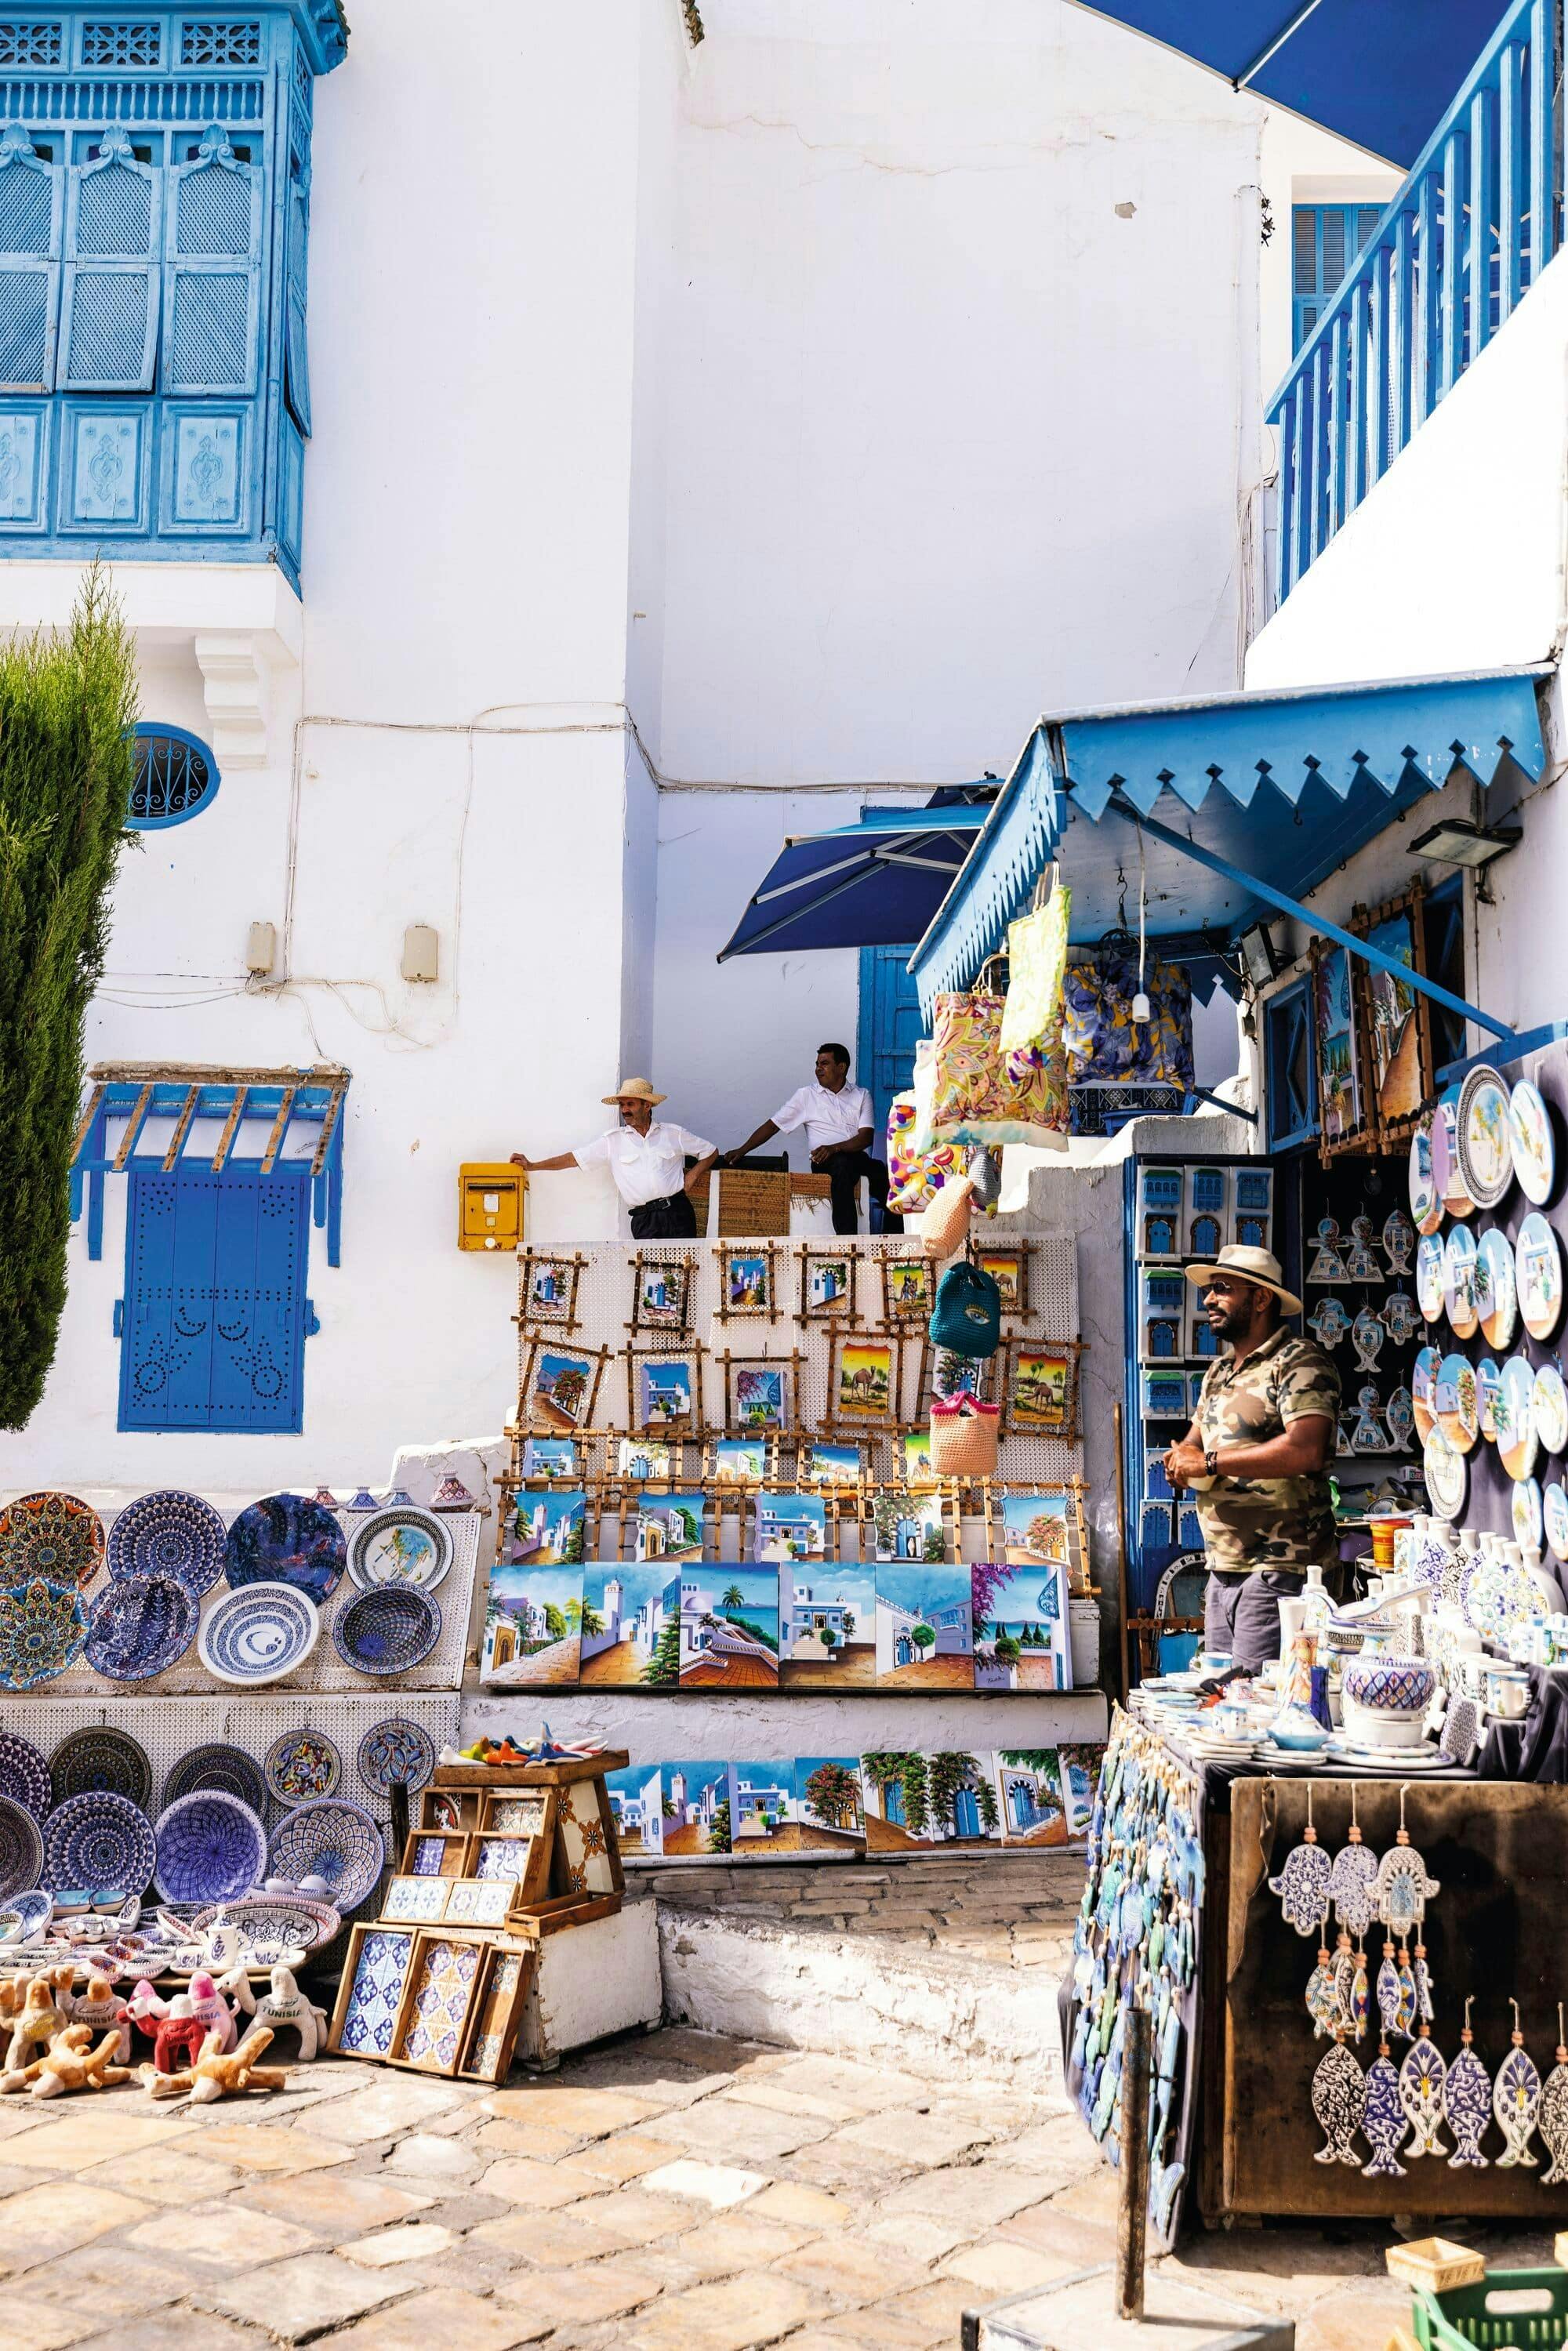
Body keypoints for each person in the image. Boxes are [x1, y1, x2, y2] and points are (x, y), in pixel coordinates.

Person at [1163, 1244, 1341, 1672]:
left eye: (1223, 1288)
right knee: (1223, 1694)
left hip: (1281, 1568)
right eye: (1209, 1290)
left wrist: (1209, 1464)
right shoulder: (1219, 1371)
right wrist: (1180, 1463)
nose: (1209, 1299)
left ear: (1261, 1299)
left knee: (1254, 1695)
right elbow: (1192, 1444)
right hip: (1222, 1567)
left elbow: (1306, 1449)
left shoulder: (1298, 1359)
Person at [722, 1043, 901, 1236]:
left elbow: (865, 1137)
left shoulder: (861, 1095)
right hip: (824, 1161)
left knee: (887, 1177)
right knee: (842, 1167)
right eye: (817, 1064)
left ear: (841, 1067)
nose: (818, 1069)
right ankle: (847, 1239)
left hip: (855, 1157)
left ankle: (896, 1238)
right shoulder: (806, 1096)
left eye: (824, 1064)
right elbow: (773, 1125)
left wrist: (835, 1147)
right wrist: (743, 1149)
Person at [512, 1078, 717, 1240]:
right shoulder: (613, 1141)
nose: (625, 1110)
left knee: (687, 1270)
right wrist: (533, 1165)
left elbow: (710, 1151)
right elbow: (573, 1159)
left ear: (647, 1106)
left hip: (678, 1212)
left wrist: (692, 1176)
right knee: (651, 1275)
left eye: (630, 1104)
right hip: (644, 1219)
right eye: (622, 1105)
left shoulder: (673, 1134)